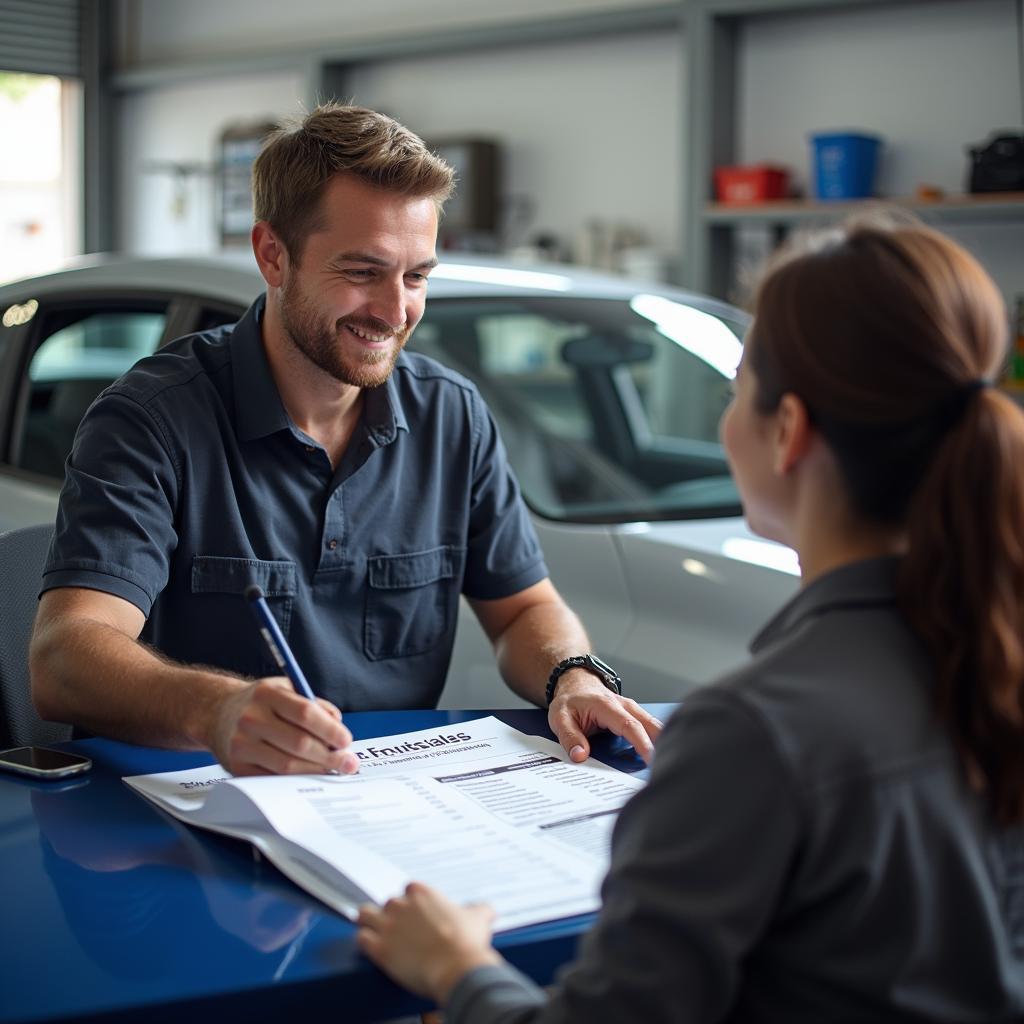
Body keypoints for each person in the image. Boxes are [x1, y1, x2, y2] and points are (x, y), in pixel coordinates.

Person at [356, 218, 1024, 1022]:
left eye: (736, 389)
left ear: (789, 432)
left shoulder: (756, 731)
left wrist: (458, 970)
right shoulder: (990, 660)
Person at [30, 103, 660, 777]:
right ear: (273, 255)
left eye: (416, 276)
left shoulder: (452, 416)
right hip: (179, 813)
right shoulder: (150, 420)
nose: (396, 312)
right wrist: (213, 710)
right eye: (363, 273)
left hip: (382, 803)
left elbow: (523, 609)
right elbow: (65, 657)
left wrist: (572, 675)